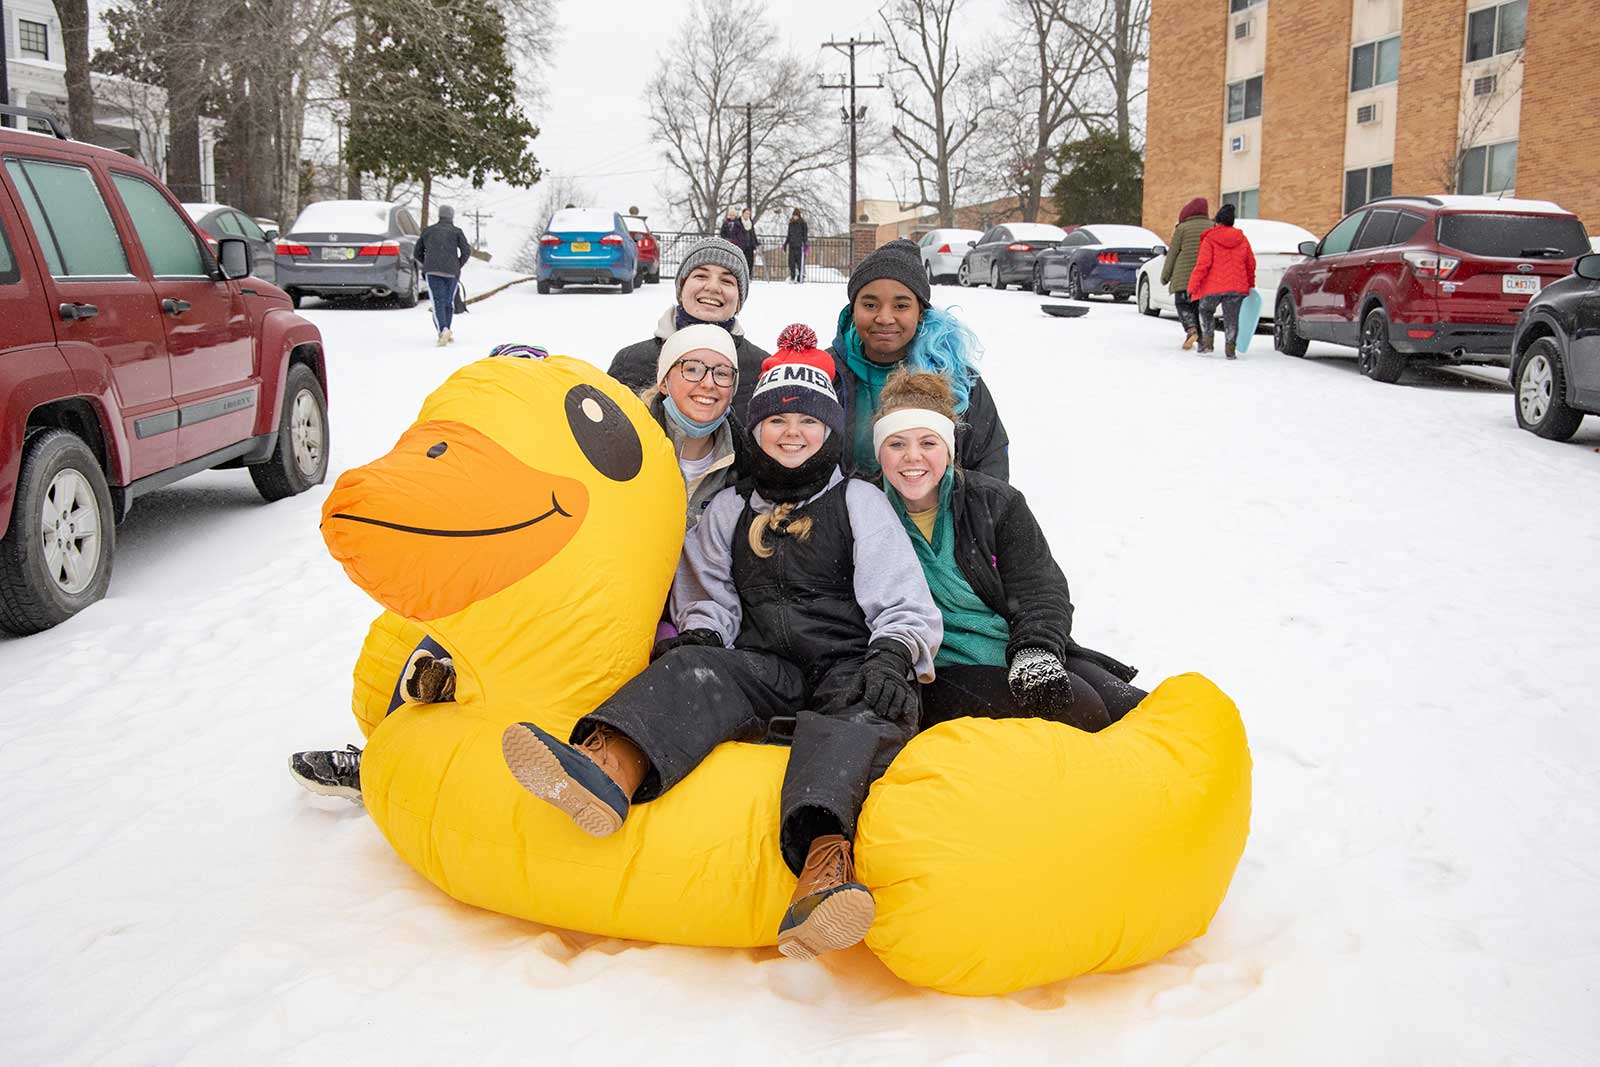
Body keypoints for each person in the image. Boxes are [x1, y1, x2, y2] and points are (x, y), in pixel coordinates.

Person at [499, 325, 942, 961]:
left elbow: (900, 594)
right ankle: (607, 768)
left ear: (830, 430)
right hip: (767, 665)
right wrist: (704, 634)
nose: (792, 432)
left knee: (852, 718)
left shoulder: (858, 501)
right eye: (777, 420)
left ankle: (823, 869)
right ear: (755, 427)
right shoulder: (731, 509)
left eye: (808, 421)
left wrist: (895, 653)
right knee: (697, 666)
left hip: (849, 663)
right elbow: (708, 593)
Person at [871, 368, 1146, 732]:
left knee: (1130, 707)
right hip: (941, 668)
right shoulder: (866, 508)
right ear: (879, 451)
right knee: (1082, 710)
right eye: (897, 444)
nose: (912, 457)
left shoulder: (993, 503)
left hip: (1013, 645)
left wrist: (1035, 650)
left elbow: (1040, 588)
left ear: (949, 449)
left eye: (928, 442)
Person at [828, 239, 1009, 480]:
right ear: (853, 310)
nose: (884, 318)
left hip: (930, 516)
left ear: (921, 313)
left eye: (901, 305)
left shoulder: (955, 378)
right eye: (870, 304)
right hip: (842, 515)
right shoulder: (826, 372)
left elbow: (989, 465)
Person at [607, 236, 770, 422]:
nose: (713, 287)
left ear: (739, 300)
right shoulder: (631, 361)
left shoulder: (762, 368)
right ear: (681, 288)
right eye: (701, 276)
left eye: (727, 281)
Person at [1186, 203, 1256, 359]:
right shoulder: (1242, 239)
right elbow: (1250, 263)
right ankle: (1230, 348)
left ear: (1217, 221)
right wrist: (1250, 284)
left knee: (1205, 310)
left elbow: (1203, 265)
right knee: (1232, 318)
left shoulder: (1210, 239)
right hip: (1237, 287)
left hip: (1213, 286)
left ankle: (1207, 342)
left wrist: (1192, 285)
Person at [413, 205, 472, 346]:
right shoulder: (457, 232)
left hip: (433, 271)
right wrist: (457, 264)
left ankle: (443, 330)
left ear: (439, 215)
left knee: (437, 302)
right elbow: (466, 251)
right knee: (448, 302)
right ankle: (447, 329)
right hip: (452, 272)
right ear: (451, 216)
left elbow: (417, 253)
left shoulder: (428, 231)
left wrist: (427, 263)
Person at [1161, 197, 1213, 351]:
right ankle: (1202, 340)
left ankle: (1191, 330)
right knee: (1199, 307)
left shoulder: (1182, 228)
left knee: (1183, 304)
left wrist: (1165, 276)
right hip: (1204, 277)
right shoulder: (1212, 226)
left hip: (1183, 276)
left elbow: (1172, 254)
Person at [783, 208, 809, 283]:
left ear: (799, 216)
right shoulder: (791, 224)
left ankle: (800, 277)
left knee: (800, 263)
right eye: (794, 216)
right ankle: (792, 276)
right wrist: (785, 244)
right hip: (792, 246)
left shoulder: (803, 224)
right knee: (791, 263)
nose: (795, 217)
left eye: (796, 216)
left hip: (799, 246)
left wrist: (805, 244)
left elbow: (805, 235)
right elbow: (789, 235)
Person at [740, 207, 759, 277]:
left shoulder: (750, 222)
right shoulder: (739, 222)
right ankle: (742, 275)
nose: (747, 215)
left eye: (748, 214)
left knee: (750, 261)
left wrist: (756, 243)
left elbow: (753, 234)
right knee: (742, 260)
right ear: (743, 214)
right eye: (746, 213)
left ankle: (749, 275)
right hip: (742, 245)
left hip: (750, 245)